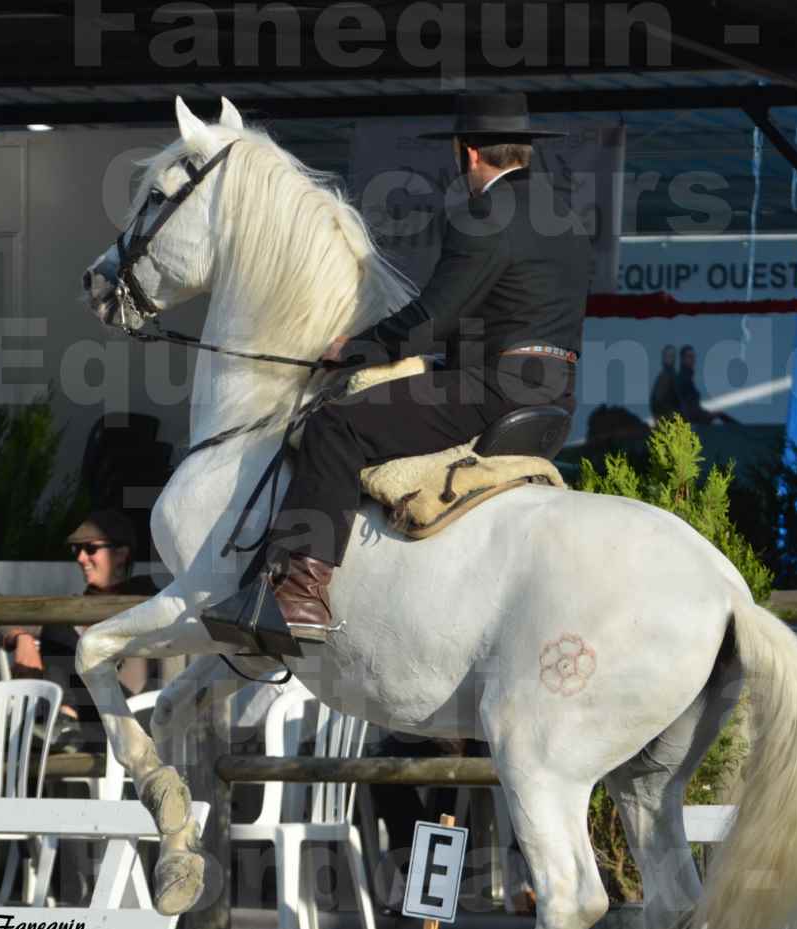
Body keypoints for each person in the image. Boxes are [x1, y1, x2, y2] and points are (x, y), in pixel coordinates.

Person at [203, 92, 591, 651]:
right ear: (523, 152)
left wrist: (356, 349)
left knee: (336, 425)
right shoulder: (567, 219)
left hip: (487, 391)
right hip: (554, 398)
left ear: (468, 153)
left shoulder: (485, 216)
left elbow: (430, 319)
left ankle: (301, 590)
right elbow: (509, 315)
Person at [0, 509, 159, 753]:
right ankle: (63, 721)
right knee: (55, 620)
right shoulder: (73, 611)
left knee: (57, 621)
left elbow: (139, 683)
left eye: (90, 549)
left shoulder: (149, 603)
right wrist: (18, 637)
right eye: (76, 551)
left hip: (126, 721)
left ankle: (64, 719)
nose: (81, 558)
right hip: (69, 731)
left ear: (122, 554)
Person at [674, 345, 737, 426]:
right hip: (692, 420)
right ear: (683, 359)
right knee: (721, 415)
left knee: (721, 415)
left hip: (695, 418)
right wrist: (708, 415)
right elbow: (688, 407)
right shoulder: (683, 378)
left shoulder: (687, 377)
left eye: (693, 357)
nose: (693, 360)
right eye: (689, 356)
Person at [649, 344, 680, 421]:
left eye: (672, 356)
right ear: (663, 358)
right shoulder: (664, 377)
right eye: (668, 356)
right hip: (668, 420)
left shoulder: (673, 375)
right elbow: (656, 401)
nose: (671, 359)